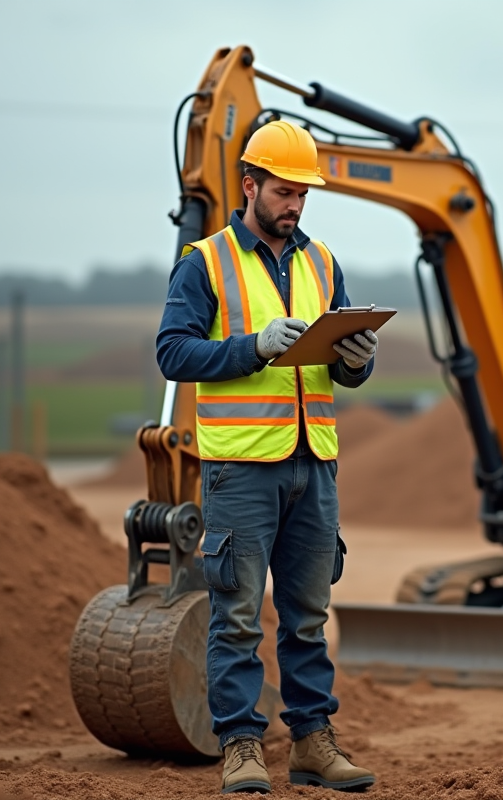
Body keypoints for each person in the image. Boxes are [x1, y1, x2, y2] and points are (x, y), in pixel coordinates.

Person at [156, 119, 378, 794]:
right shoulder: (205, 262)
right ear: (249, 185)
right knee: (240, 617)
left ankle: (312, 744)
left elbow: (342, 368)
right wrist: (251, 346)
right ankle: (243, 748)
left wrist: (357, 362)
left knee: (308, 616)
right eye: (284, 192)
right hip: (242, 469)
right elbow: (173, 352)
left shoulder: (322, 263)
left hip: (314, 465)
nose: (295, 206)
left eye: (303, 195)